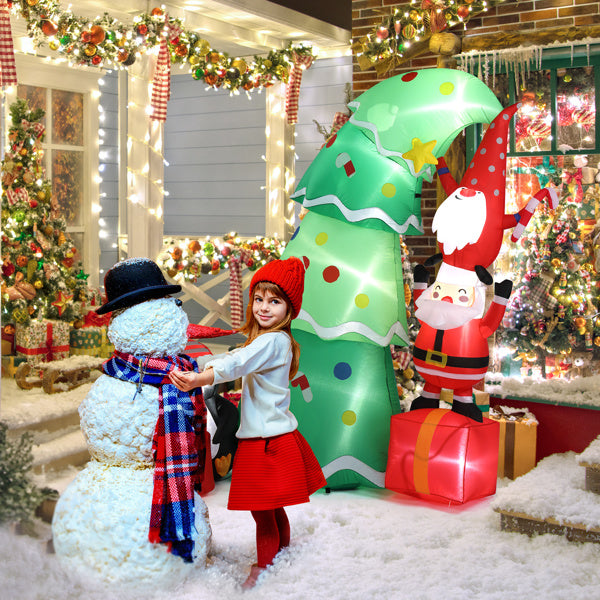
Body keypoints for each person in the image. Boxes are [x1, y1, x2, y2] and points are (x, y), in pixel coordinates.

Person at [169, 256, 326, 589]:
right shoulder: (273, 340)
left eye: (274, 301)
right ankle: (281, 552)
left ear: (290, 308)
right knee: (273, 506)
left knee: (261, 509)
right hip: (275, 434)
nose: (264, 307)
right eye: (258, 298)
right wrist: (205, 364)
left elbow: (237, 363)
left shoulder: (272, 341)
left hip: (265, 440)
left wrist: (200, 378)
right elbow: (237, 357)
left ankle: (263, 568)